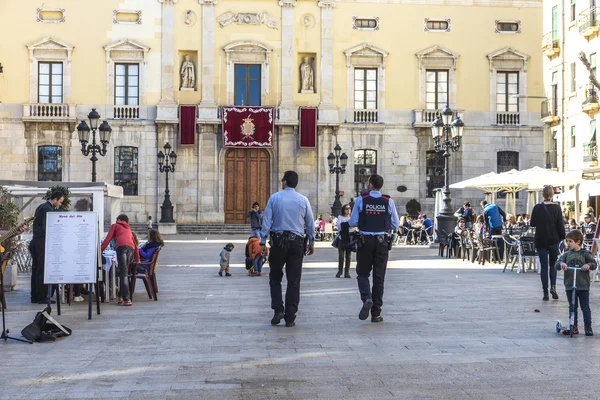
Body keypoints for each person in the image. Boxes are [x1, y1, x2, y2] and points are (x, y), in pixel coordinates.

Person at [259, 170, 315, 328]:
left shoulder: (275, 198)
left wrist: (262, 241)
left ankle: (278, 310)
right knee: (294, 280)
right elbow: (310, 222)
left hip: (278, 242)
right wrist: (311, 241)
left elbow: (267, 221)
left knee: (275, 277)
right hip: (297, 243)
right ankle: (290, 316)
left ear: (284, 182)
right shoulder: (303, 200)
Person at [349, 174, 399, 323]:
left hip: (365, 241)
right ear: (380, 186)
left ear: (370, 185)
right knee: (379, 277)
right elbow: (395, 224)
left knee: (363, 273)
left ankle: (366, 298)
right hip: (382, 241)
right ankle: (376, 313)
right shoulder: (388, 201)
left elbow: (352, 221)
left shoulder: (361, 200)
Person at [555, 229, 597, 336]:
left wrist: (588, 265)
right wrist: (561, 264)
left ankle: (588, 326)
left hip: (583, 285)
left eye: (570, 241)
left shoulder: (585, 254)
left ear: (578, 242)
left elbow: (593, 263)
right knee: (572, 306)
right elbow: (558, 262)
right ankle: (573, 326)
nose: (568, 244)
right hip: (570, 284)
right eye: (567, 241)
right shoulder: (567, 254)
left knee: (585, 307)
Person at [530, 185, 566, 301]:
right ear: (552, 194)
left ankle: (545, 292)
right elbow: (561, 226)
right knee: (553, 265)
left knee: (544, 267)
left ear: (542, 194)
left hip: (541, 240)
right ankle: (553, 287)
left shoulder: (537, 208)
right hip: (554, 240)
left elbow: (532, 224)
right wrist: (564, 239)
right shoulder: (557, 208)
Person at [29, 191, 64, 304]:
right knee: (42, 269)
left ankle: (34, 296)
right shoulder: (47, 209)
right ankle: (42, 297)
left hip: (36, 241)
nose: (59, 204)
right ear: (55, 199)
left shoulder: (41, 207)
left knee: (36, 269)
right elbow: (47, 228)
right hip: (41, 242)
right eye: (60, 201)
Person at [100, 214, 140, 306]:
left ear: (118, 219)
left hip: (121, 248)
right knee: (124, 272)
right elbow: (134, 244)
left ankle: (126, 298)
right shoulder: (128, 229)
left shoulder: (115, 225)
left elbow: (108, 239)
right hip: (131, 249)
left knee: (123, 273)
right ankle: (120, 296)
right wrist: (137, 258)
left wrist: (100, 250)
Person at [335, 204, 354, 278]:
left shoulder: (352, 218)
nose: (348, 210)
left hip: (349, 239)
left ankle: (347, 272)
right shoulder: (340, 217)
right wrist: (348, 225)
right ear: (343, 210)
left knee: (348, 256)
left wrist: (346, 225)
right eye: (346, 208)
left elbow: (354, 226)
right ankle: (340, 271)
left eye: (349, 208)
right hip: (341, 239)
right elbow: (340, 226)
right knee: (341, 256)